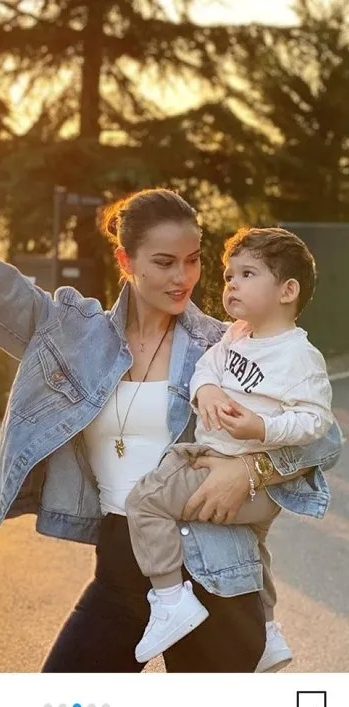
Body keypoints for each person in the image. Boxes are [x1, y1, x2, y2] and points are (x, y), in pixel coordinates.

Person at [0, 146, 342, 672]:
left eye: (192, 260)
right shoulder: (73, 335)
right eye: (163, 262)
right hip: (121, 566)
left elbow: (323, 438)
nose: (183, 277)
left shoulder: (225, 347)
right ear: (125, 262)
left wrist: (250, 470)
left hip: (217, 574)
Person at [125, 226, 333, 669]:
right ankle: (270, 631)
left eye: (247, 274)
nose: (230, 284)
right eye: (228, 275)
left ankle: (168, 598)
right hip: (217, 460)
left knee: (145, 501)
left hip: (245, 477)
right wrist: (207, 393)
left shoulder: (299, 357)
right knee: (254, 549)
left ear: (287, 290)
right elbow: (206, 369)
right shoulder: (237, 334)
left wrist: (263, 426)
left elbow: (318, 422)